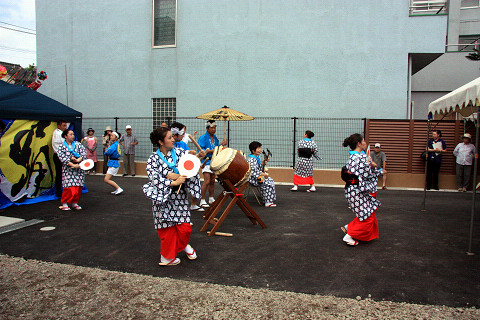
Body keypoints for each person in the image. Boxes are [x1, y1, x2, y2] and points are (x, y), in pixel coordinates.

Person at [142, 127, 201, 266]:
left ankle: (184, 245)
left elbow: (190, 166)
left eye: (172, 136)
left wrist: (196, 158)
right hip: (163, 199)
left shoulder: (180, 152)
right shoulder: (153, 159)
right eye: (169, 137)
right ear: (160, 142)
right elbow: (154, 178)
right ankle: (167, 258)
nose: (173, 139)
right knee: (167, 230)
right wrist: (173, 182)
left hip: (179, 198)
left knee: (184, 226)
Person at [341, 133, 381, 246]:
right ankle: (349, 235)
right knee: (367, 217)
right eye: (363, 141)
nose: (365, 142)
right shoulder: (358, 158)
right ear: (359, 144)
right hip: (356, 191)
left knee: (368, 212)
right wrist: (376, 168)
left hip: (355, 190)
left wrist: (371, 166)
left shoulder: (356, 157)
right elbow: (367, 175)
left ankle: (349, 227)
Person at [171, 122, 206, 212]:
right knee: (174, 196)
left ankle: (189, 208)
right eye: (183, 133)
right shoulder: (170, 146)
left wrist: (199, 155)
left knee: (183, 193)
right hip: (173, 174)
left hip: (183, 172)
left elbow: (188, 158)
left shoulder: (181, 144)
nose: (184, 135)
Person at [197, 120, 227, 207]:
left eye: (215, 127)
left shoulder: (215, 138)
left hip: (213, 160)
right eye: (212, 128)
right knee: (206, 181)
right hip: (206, 160)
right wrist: (213, 150)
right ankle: (202, 200)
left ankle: (211, 197)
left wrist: (222, 144)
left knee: (212, 181)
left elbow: (218, 148)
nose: (214, 129)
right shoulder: (203, 138)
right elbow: (201, 150)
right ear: (207, 128)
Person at [56, 129, 87, 210]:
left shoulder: (78, 144)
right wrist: (72, 164)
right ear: (65, 136)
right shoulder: (61, 147)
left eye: (73, 134)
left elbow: (83, 153)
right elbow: (62, 158)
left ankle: (75, 202)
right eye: (70, 134)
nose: (73, 136)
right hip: (68, 170)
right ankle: (64, 203)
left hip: (79, 170)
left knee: (78, 187)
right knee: (69, 188)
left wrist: (78, 160)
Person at [247, 141, 277, 207]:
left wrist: (263, 163)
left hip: (257, 177)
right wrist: (263, 174)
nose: (260, 149)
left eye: (260, 147)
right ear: (253, 150)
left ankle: (268, 199)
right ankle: (267, 202)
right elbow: (254, 172)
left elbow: (258, 168)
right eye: (258, 148)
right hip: (253, 179)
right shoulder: (252, 159)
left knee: (270, 180)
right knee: (267, 183)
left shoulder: (257, 157)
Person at [52, 120, 68, 197]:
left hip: (62, 155)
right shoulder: (58, 133)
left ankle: (62, 190)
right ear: (59, 126)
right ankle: (59, 192)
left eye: (66, 126)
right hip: (59, 156)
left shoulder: (60, 133)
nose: (65, 127)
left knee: (62, 174)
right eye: (63, 126)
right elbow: (64, 145)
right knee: (60, 174)